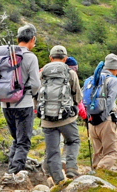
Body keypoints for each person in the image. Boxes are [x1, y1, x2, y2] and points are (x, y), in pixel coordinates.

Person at [0, 24, 41, 185]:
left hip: (5, 103)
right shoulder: (30, 57)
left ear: (18, 38)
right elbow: (35, 83)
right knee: (23, 141)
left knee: (16, 139)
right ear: (32, 39)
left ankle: (10, 170)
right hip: (24, 103)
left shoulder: (4, 54)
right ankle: (14, 174)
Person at [38, 45, 81, 184]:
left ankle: (59, 182)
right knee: (73, 140)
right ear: (66, 58)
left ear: (50, 58)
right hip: (66, 118)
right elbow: (78, 97)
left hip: (47, 120)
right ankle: (71, 167)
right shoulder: (70, 73)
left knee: (52, 151)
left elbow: (35, 92)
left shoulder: (42, 72)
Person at [85, 53, 117, 171]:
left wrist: (89, 118)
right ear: (116, 68)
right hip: (106, 121)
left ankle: (92, 181)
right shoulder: (113, 80)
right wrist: (103, 117)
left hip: (91, 122)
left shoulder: (91, 79)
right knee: (112, 153)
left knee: (98, 154)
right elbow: (110, 101)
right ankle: (97, 174)